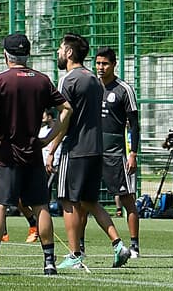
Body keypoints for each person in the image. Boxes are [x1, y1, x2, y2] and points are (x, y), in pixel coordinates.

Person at [0, 33, 69, 277]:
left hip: (5, 154)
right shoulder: (42, 80)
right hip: (32, 154)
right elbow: (66, 109)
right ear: (27, 55)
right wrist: (48, 139)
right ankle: (49, 262)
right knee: (40, 205)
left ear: (6, 55)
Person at [49, 33, 131, 270]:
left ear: (70, 53)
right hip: (97, 150)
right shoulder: (94, 79)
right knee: (91, 202)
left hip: (75, 149)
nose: (58, 52)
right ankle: (118, 245)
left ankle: (75, 255)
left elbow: (65, 120)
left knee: (67, 200)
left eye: (61, 48)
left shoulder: (68, 80)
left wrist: (51, 147)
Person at [95, 47, 140, 254]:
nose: (101, 68)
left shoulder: (124, 89)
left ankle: (134, 245)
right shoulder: (91, 86)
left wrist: (133, 153)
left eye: (105, 64)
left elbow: (134, 124)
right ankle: (80, 248)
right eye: (98, 63)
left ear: (114, 65)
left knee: (127, 198)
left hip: (116, 152)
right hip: (92, 150)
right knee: (84, 200)